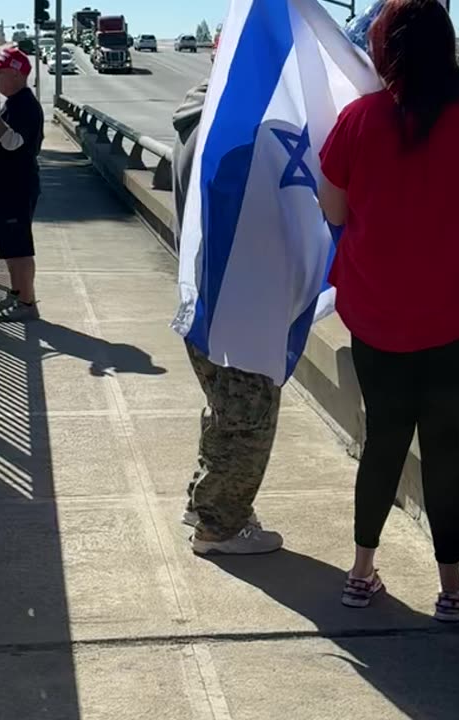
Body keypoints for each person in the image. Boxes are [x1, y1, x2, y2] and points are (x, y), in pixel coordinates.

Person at [317, 0, 459, 621]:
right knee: (445, 443)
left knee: (384, 436)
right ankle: (450, 589)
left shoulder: (359, 119)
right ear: (449, 44)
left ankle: (360, 574)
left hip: (380, 312)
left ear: (383, 51)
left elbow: (333, 212)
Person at [171, 79, 284, 556]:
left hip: (204, 299)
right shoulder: (233, 135)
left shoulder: (199, 120)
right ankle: (220, 527)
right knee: (248, 417)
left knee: (225, 413)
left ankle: (205, 503)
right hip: (234, 304)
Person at [0, 47, 45, 323]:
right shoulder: (14, 103)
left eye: (0, 73)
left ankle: (27, 303)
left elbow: (13, 142)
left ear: (17, 75)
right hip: (6, 186)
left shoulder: (25, 105)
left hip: (16, 186)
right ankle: (17, 294)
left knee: (19, 248)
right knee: (9, 245)